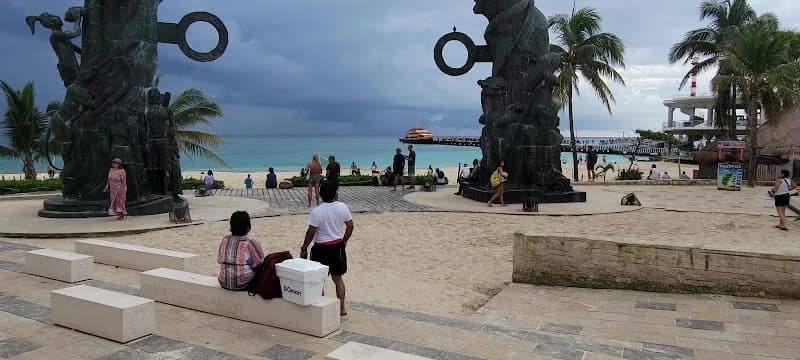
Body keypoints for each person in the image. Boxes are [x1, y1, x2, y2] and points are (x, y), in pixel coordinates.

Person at [300, 181, 354, 316]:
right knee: (338, 279)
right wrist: (345, 240)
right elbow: (350, 225)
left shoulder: (317, 211)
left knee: (319, 281)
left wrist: (304, 248)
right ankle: (342, 308)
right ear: (335, 193)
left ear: (321, 194)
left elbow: (310, 232)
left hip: (320, 248)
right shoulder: (342, 207)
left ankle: (321, 308)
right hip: (337, 246)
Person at [217, 211, 265, 290]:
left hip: (223, 282)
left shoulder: (225, 239)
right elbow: (258, 265)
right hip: (242, 284)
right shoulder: (250, 241)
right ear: (248, 227)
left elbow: (219, 260)